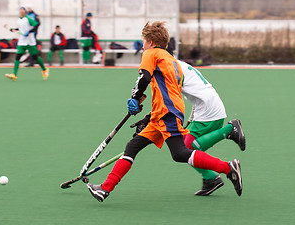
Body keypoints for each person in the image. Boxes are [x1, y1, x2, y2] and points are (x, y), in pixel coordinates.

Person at [87, 21, 243, 202]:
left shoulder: (150, 53)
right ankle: (104, 189)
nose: (143, 45)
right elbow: (164, 91)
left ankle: (228, 168)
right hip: (163, 113)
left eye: (144, 41)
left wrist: (135, 99)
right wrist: (149, 117)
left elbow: (143, 77)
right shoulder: (171, 61)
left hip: (167, 113)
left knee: (179, 153)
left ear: (151, 42)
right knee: (132, 146)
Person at [130, 60, 246, 196]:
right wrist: (190, 119)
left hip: (207, 111)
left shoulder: (168, 69)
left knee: (186, 149)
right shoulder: (177, 64)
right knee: (186, 149)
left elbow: (168, 103)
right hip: (206, 106)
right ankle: (210, 179)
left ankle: (229, 130)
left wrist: (149, 118)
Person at [5, 6, 49, 81]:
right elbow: (20, 29)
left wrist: (29, 32)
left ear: (25, 12)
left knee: (35, 57)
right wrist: (14, 29)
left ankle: (44, 70)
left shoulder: (28, 19)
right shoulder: (19, 20)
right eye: (20, 10)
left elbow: (36, 25)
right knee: (18, 56)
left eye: (22, 10)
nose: (21, 11)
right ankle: (14, 75)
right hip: (22, 41)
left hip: (30, 41)